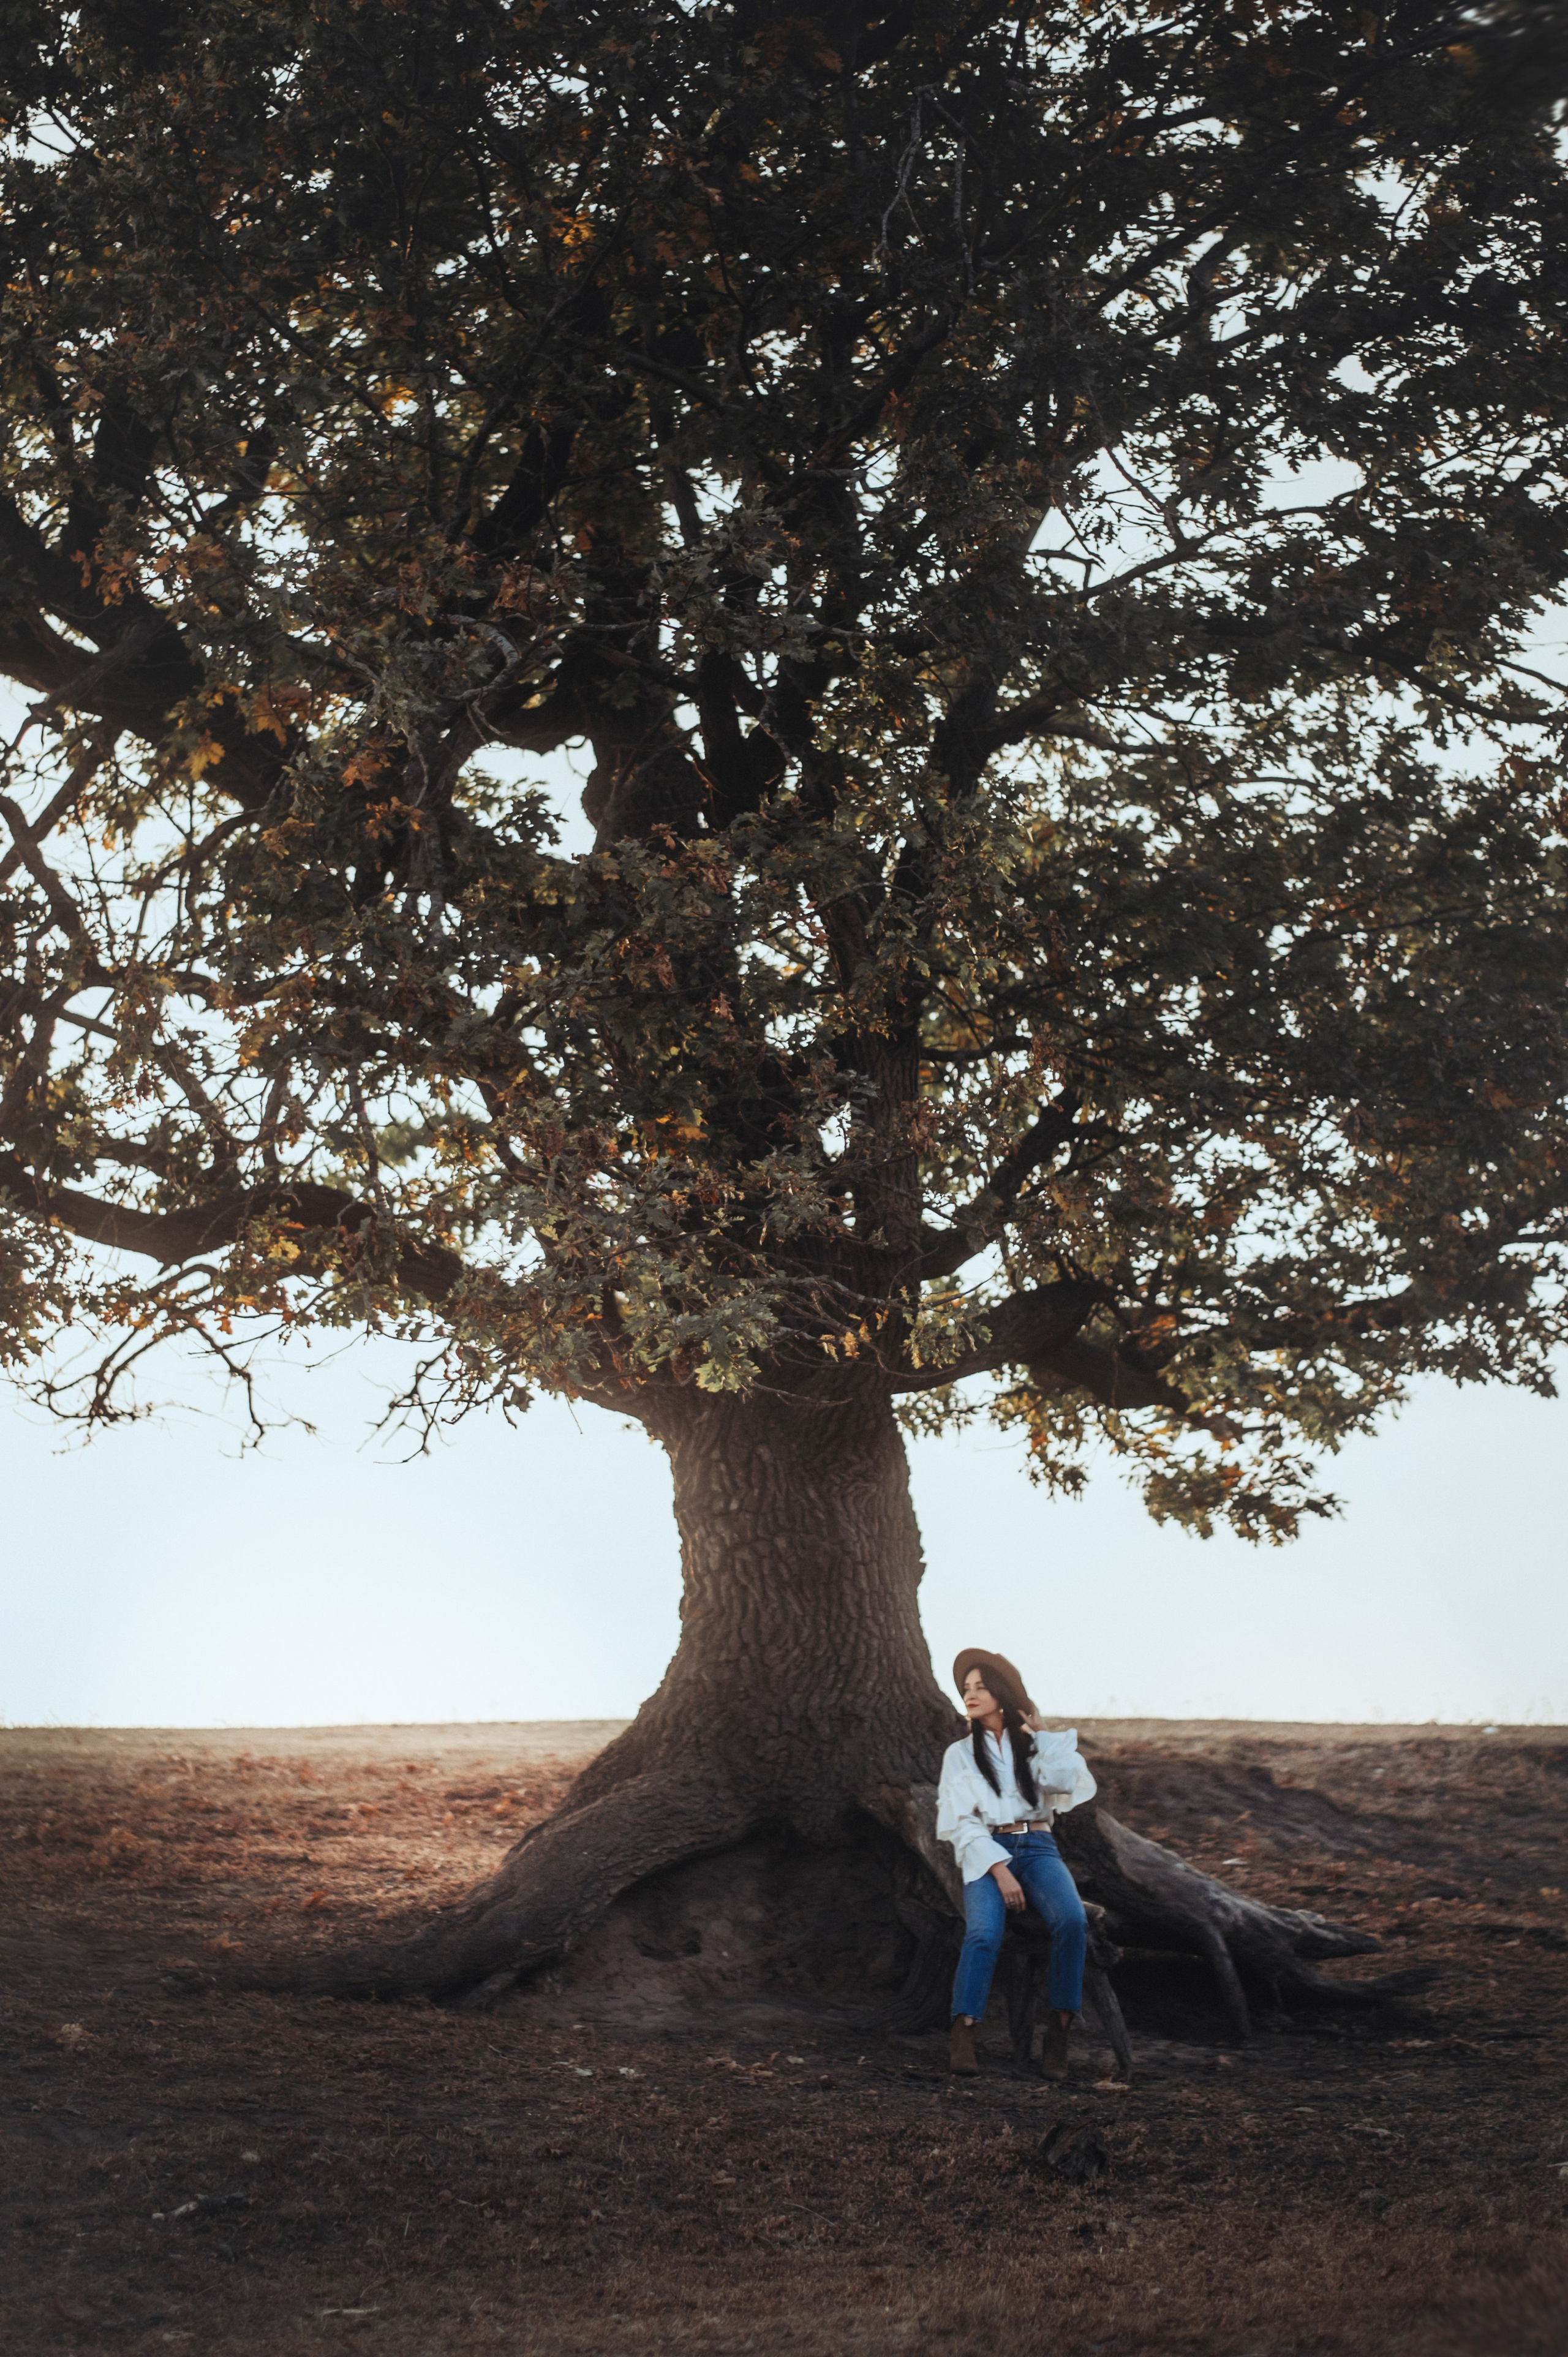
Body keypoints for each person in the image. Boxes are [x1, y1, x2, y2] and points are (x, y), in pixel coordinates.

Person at [935, 1647, 1096, 2081]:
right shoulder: (961, 1754)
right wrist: (1000, 1870)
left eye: (980, 1687)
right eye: (966, 1688)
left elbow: (1065, 1783)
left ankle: (1059, 2031)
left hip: (1040, 1849)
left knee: (1072, 1922)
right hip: (988, 1852)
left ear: (1002, 1693)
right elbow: (961, 1823)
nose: (969, 1695)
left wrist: (1041, 1731)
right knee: (984, 1933)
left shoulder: (1035, 1747)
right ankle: (964, 2029)